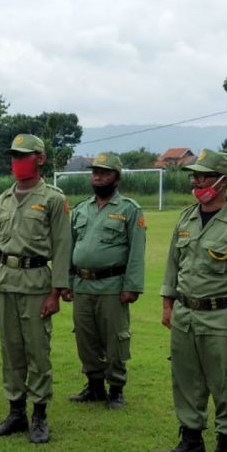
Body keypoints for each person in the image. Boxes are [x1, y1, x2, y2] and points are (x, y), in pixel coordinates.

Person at [155, 149, 227, 452]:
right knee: (186, 380)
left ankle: (226, 449)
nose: (196, 181)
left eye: (204, 176)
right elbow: (173, 264)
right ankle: (191, 441)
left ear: (223, 181)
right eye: (195, 175)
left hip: (222, 318)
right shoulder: (186, 218)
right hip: (185, 315)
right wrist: (167, 303)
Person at [0, 134, 71, 443]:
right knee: (11, 351)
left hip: (36, 284)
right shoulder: (2, 200)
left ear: (40, 159)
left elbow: (62, 247)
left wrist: (56, 293)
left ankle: (40, 415)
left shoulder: (53, 199)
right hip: (6, 282)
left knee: (38, 352)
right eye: (14, 156)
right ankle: (16, 412)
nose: (17, 162)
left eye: (23, 156)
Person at [63, 153, 146, 409]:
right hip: (82, 285)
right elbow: (70, 247)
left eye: (104, 173)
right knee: (85, 338)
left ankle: (116, 389)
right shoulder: (81, 209)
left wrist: (132, 286)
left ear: (116, 178)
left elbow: (136, 251)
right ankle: (94, 386)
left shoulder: (129, 209)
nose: (97, 177)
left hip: (112, 286)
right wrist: (67, 281)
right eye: (95, 172)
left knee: (114, 339)